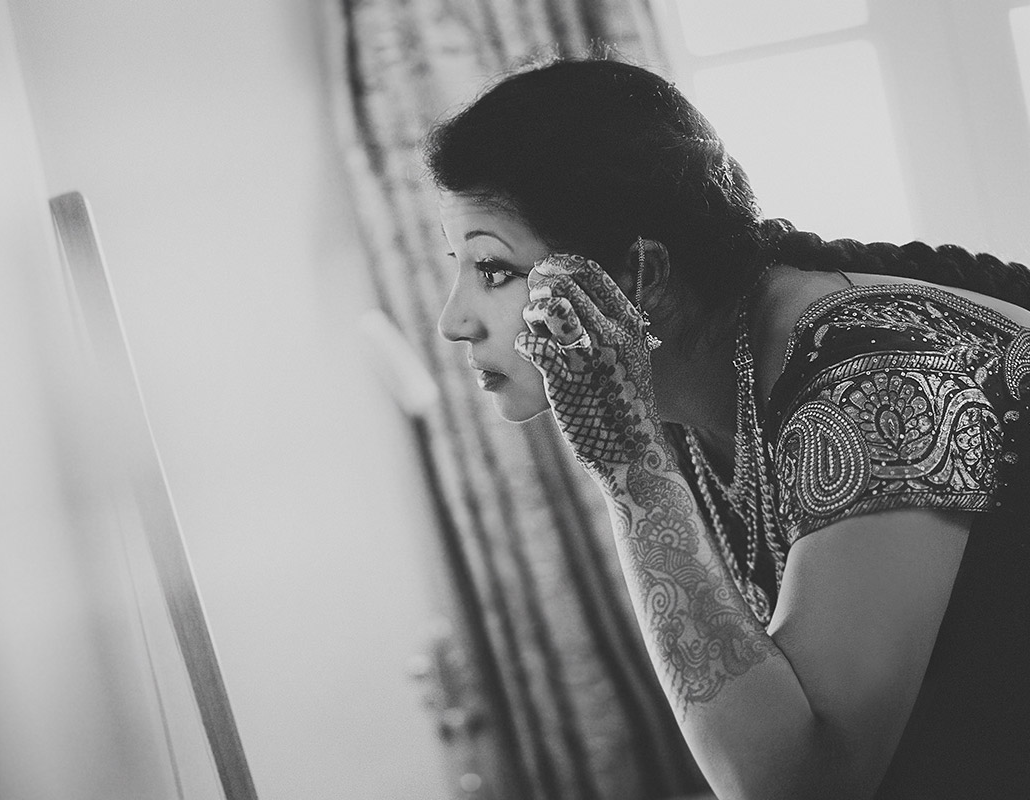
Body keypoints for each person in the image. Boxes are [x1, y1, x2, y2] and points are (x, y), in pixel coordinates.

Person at [426, 54, 1030, 799]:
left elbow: (797, 784)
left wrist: (629, 469)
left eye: (493, 270)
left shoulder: (878, 383)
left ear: (640, 275)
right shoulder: (686, 376)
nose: (453, 320)